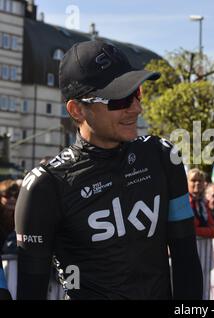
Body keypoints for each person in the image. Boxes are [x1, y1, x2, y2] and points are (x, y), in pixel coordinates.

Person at [14, 40, 202, 300]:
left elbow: (186, 260)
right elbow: (30, 293)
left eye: (137, 93)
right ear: (77, 109)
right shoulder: (45, 186)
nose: (137, 108)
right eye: (120, 99)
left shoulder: (162, 156)